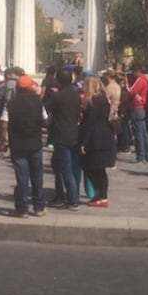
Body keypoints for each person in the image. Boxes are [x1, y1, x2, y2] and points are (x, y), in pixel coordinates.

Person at [0, 74, 46, 217]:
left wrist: (3, 142)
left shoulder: (10, 104)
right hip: (35, 144)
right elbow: (45, 120)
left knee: (22, 177)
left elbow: (3, 124)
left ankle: (22, 208)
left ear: (18, 88)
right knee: (37, 176)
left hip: (18, 145)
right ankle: (39, 207)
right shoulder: (38, 102)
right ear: (30, 87)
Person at [46, 67, 81, 210]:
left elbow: (46, 108)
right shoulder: (75, 94)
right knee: (58, 165)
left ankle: (72, 199)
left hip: (61, 135)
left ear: (59, 81)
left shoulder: (58, 96)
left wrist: (51, 94)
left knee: (65, 169)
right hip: (73, 133)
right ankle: (59, 195)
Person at [79, 75, 117, 208]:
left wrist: (84, 142)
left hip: (96, 140)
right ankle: (101, 195)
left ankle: (100, 194)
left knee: (92, 168)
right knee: (100, 170)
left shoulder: (93, 101)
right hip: (106, 137)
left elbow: (89, 124)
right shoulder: (104, 99)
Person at [127, 65, 148, 163]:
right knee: (144, 133)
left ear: (136, 71)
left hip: (137, 108)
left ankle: (140, 156)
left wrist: (126, 82)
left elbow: (131, 91)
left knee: (138, 134)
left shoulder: (140, 80)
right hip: (141, 108)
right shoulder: (144, 80)